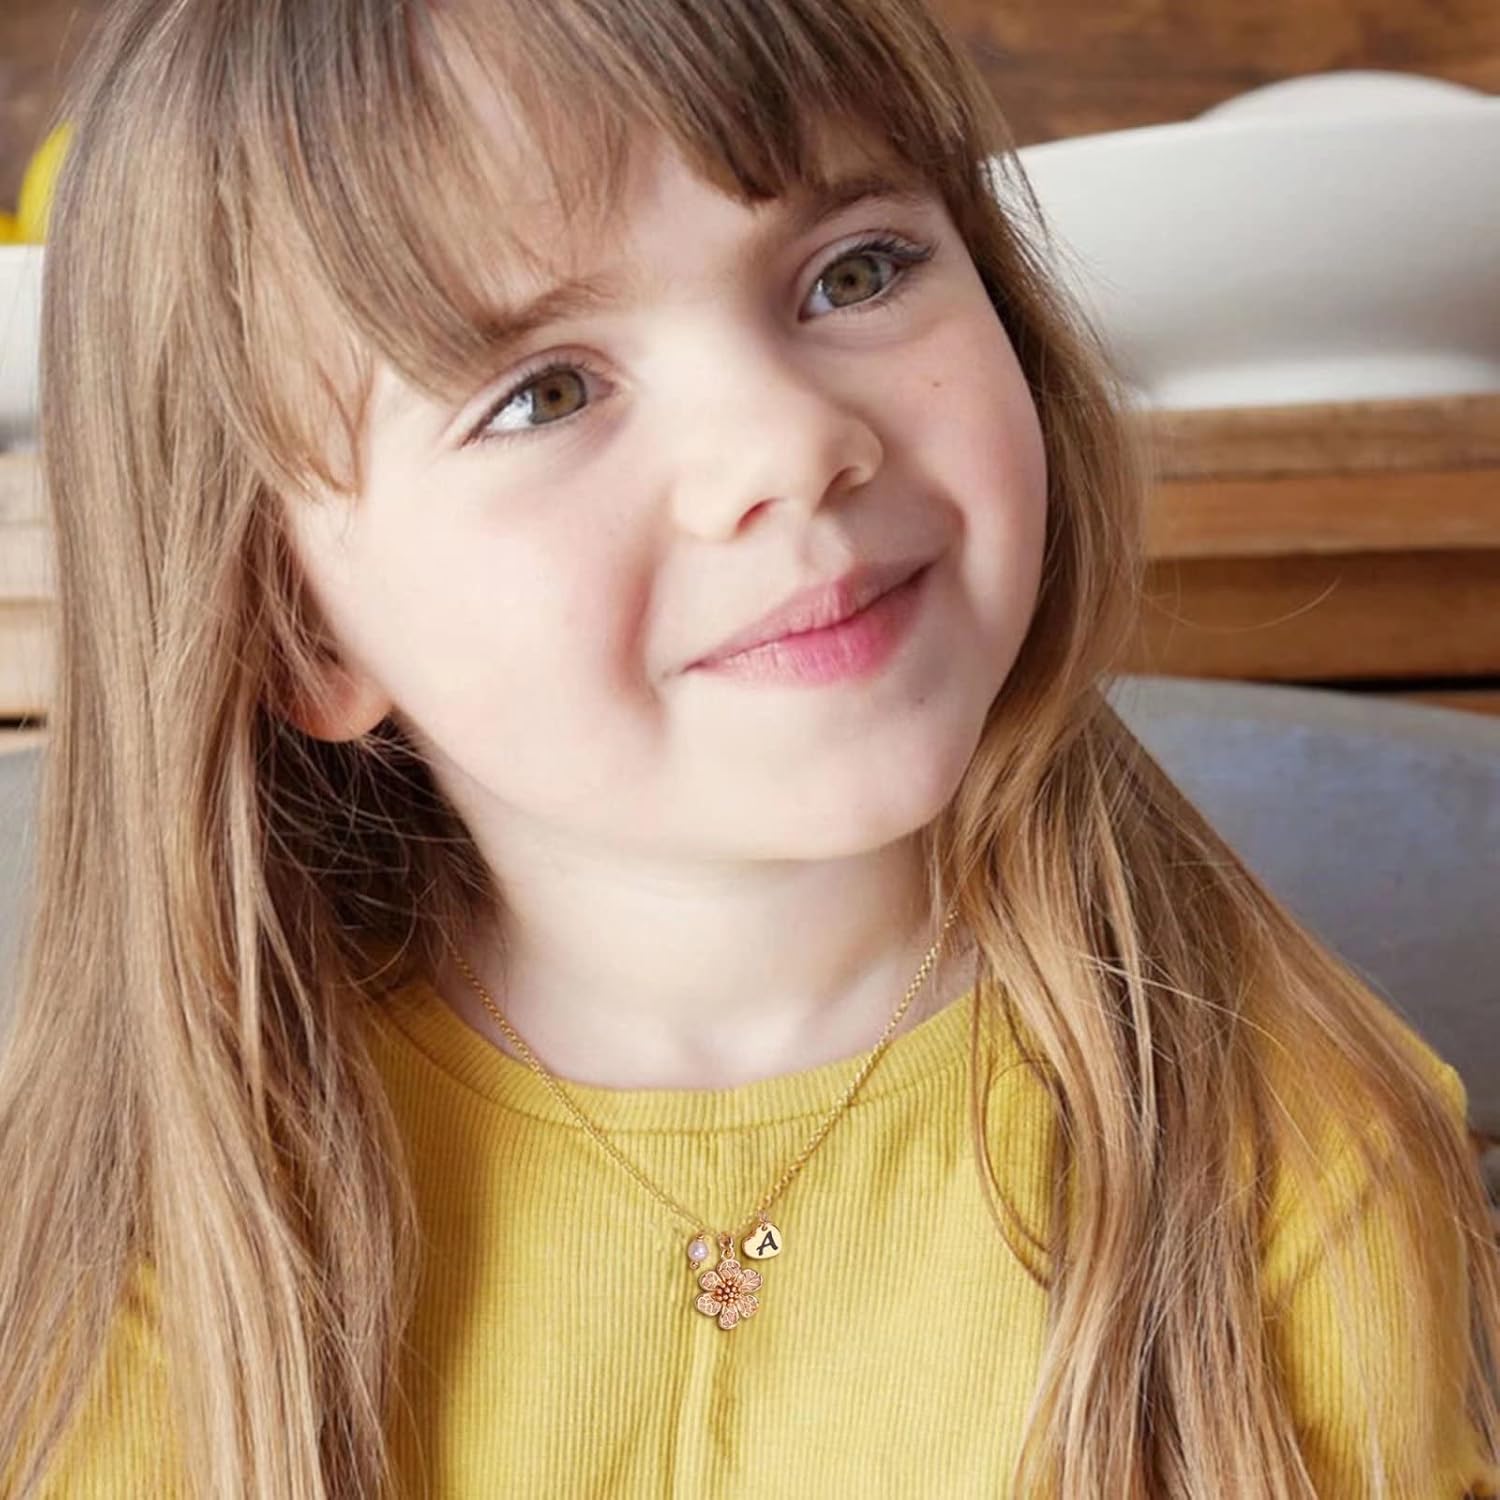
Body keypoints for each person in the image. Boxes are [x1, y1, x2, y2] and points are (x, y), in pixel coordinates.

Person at [1, 0, 1496, 1494]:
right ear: (295, 630)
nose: (789, 443)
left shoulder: (1301, 1175)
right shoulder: (136, 1244)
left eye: (855, 272)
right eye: (544, 394)